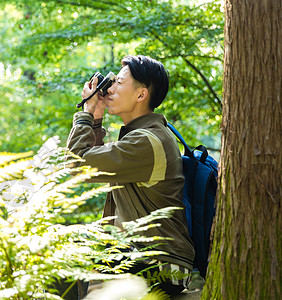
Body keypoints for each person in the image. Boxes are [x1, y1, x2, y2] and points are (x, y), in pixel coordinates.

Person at [66, 55, 195, 296]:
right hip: (143, 255)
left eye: (118, 82)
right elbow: (91, 161)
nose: (110, 88)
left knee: (62, 260)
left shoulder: (146, 141)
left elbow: (78, 165)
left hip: (159, 263)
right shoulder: (144, 135)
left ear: (141, 95)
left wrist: (86, 111)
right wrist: (96, 117)